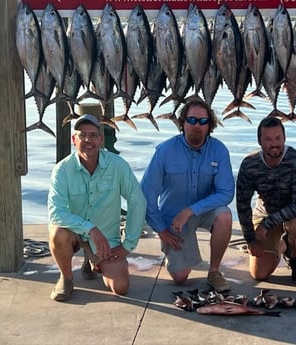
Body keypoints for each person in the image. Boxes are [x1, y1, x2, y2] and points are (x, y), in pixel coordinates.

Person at [48, 114, 147, 302]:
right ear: (73, 139)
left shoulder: (117, 165)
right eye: (82, 135)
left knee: (121, 287)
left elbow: (137, 201)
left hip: (106, 238)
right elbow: (56, 213)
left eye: (93, 135)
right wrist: (90, 229)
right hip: (73, 233)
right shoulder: (61, 170)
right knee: (57, 234)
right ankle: (66, 278)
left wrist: (127, 245)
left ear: (101, 140)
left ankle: (92, 261)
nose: (88, 140)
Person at [140, 99, 234, 292]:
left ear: (210, 125)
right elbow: (147, 194)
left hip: (204, 210)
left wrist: (191, 210)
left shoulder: (219, 150)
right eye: (191, 120)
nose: (196, 126)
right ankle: (172, 257)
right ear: (182, 123)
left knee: (224, 215)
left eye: (202, 121)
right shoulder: (164, 151)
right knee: (181, 278)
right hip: (174, 219)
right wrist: (161, 231)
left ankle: (214, 271)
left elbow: (226, 192)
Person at [236, 117, 296, 283]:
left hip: (295, 215)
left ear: (284, 138)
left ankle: (295, 257)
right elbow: (243, 205)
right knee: (259, 274)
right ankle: (282, 246)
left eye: (278, 138)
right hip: (264, 214)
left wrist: (268, 224)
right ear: (259, 141)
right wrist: (250, 239)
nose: (274, 144)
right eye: (268, 139)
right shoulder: (249, 164)